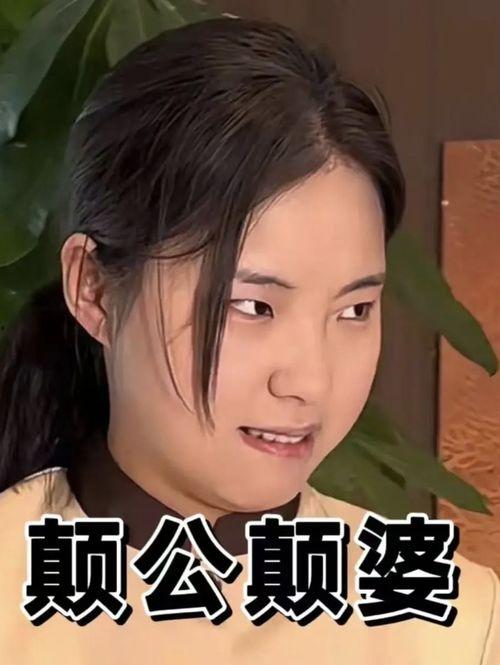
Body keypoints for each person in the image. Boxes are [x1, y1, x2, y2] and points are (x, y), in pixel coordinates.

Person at [0, 17, 497, 665]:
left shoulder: (453, 626)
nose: (310, 382)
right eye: (253, 306)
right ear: (94, 288)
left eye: (354, 310)